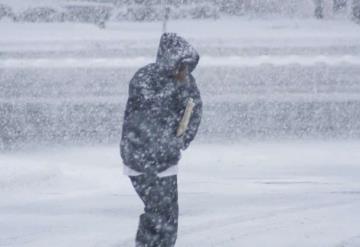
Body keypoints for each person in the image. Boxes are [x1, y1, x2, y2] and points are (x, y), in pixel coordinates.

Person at [120, 33, 202, 247]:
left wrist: (182, 140)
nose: (185, 72)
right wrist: (166, 145)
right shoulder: (146, 80)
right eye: (181, 67)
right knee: (160, 214)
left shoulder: (185, 83)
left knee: (163, 215)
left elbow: (195, 110)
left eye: (187, 67)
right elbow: (146, 120)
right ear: (170, 62)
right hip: (141, 159)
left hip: (164, 161)